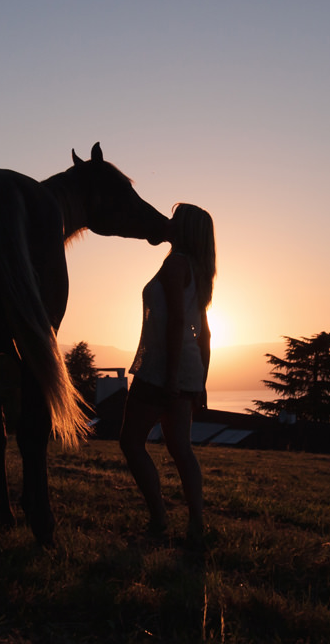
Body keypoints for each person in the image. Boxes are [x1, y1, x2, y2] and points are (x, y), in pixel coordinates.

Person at [119, 203, 215, 545]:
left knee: (131, 442)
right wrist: (199, 381)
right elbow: (203, 333)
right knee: (180, 448)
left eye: (175, 219)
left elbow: (177, 322)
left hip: (162, 368)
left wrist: (171, 376)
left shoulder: (175, 264)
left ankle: (159, 518)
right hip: (187, 369)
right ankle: (196, 525)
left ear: (184, 229)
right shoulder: (199, 271)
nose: (168, 222)